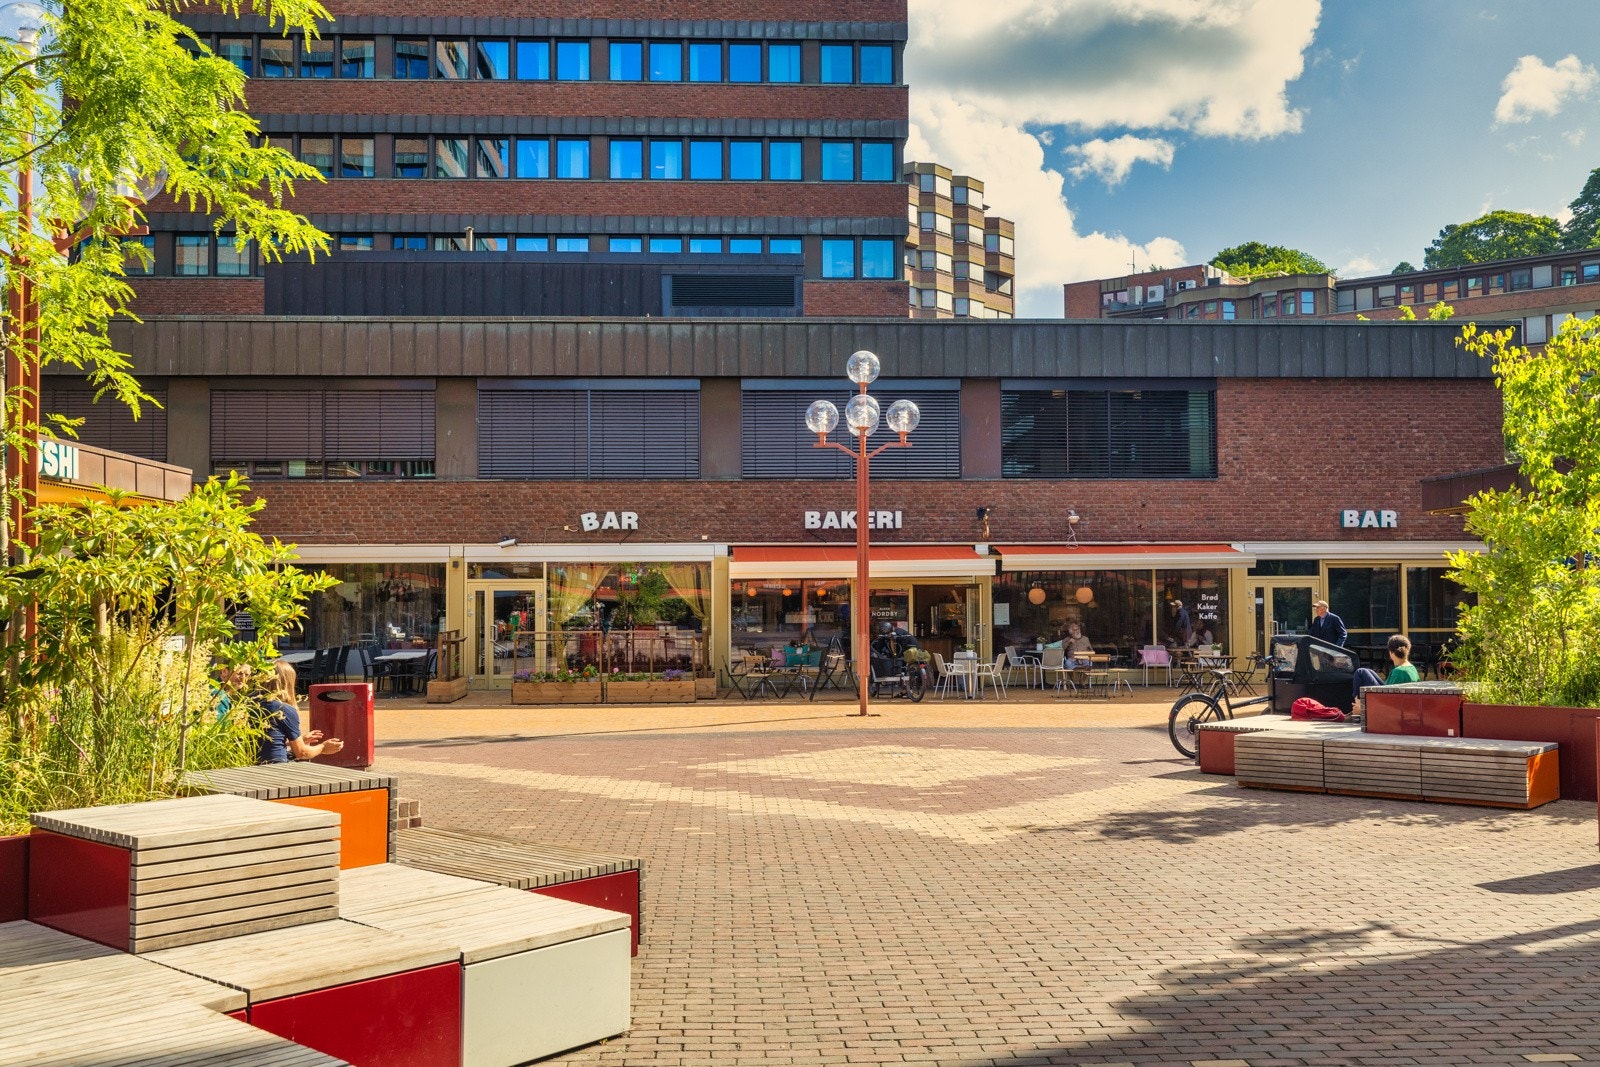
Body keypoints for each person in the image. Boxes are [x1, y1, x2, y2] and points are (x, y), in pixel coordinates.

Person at [256, 662, 344, 765]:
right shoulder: (284, 710)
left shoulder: (251, 705)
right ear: (288, 683)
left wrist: (300, 740)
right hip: (277, 767)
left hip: (251, 766)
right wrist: (323, 747)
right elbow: (302, 753)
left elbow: (267, 742)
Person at [1351, 634, 1421, 715]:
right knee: (1364, 671)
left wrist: (1364, 710)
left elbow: (1387, 701)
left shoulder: (1398, 672)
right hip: (1401, 702)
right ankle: (1358, 707)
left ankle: (1358, 709)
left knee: (1359, 673)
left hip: (1390, 704)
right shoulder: (1411, 668)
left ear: (1391, 652)